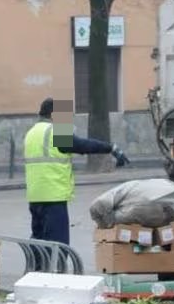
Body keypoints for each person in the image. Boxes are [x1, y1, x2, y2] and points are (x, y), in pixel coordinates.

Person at [24, 97, 130, 246]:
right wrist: (111, 148)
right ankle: (57, 269)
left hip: (35, 196)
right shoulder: (54, 131)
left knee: (39, 239)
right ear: (54, 115)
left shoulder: (32, 133)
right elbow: (82, 145)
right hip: (53, 196)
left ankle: (38, 267)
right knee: (58, 243)